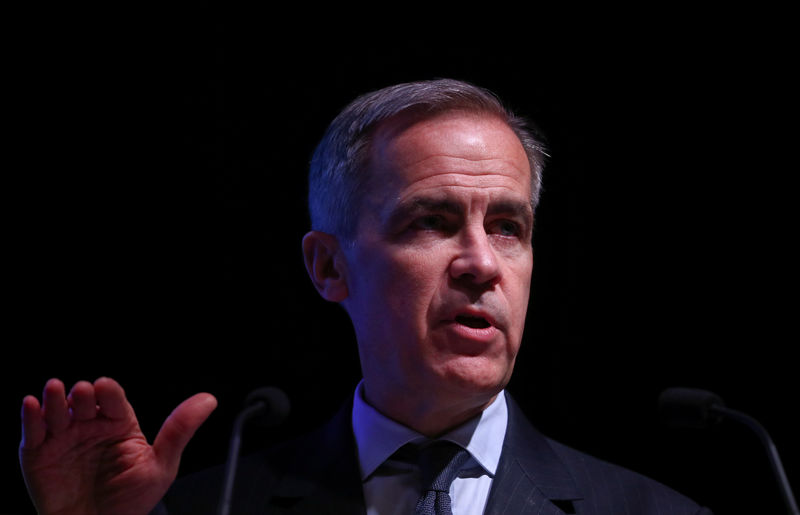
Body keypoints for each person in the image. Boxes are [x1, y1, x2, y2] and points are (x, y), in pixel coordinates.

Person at [19, 79, 712, 514]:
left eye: (508, 228)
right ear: (328, 267)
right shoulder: (212, 504)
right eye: (432, 221)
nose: (480, 263)